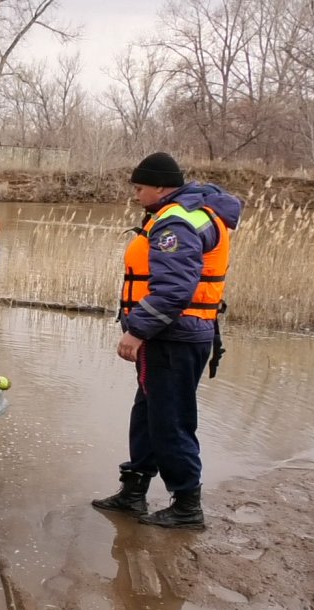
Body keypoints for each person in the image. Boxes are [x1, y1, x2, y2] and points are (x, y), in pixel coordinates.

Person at [91, 152, 241, 530]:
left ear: (160, 186)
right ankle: (133, 492)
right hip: (171, 336)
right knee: (148, 416)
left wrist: (137, 329)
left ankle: (187, 503)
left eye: (139, 188)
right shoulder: (183, 214)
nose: (136, 195)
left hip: (173, 337)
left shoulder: (176, 221)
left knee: (171, 420)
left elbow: (174, 289)